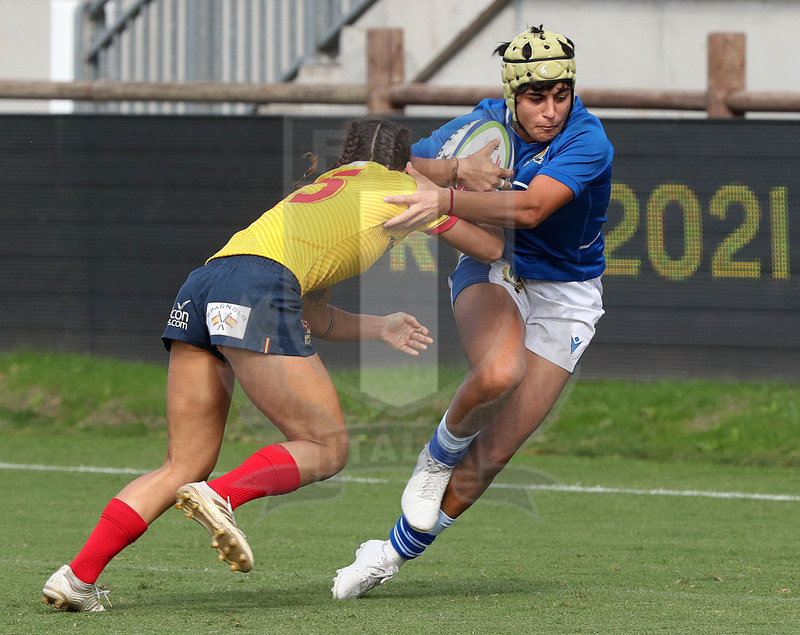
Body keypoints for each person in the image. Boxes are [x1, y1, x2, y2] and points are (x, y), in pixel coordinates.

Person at [41, 118, 504, 612]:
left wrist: (380, 326)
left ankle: (77, 576)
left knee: (182, 463)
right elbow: (493, 248)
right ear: (405, 162)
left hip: (205, 283)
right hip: (257, 288)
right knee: (326, 448)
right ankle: (222, 496)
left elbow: (315, 313)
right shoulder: (400, 187)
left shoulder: (329, 187)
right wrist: (448, 185)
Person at [332, 25, 614, 599]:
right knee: (497, 374)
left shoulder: (588, 140)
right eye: (537, 98)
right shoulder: (484, 124)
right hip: (496, 268)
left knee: (499, 448)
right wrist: (456, 171)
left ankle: (388, 555)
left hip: (568, 294)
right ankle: (434, 459)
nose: (552, 110)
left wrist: (446, 197)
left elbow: (532, 208)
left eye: (561, 95)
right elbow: (396, 163)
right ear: (513, 95)